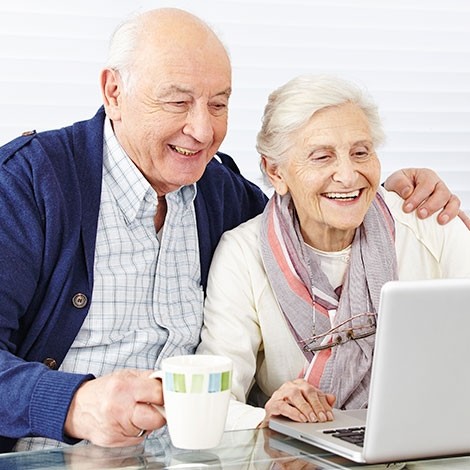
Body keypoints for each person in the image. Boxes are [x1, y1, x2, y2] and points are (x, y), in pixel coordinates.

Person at [0, 8, 463, 453]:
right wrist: (72, 403)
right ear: (113, 91)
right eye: (178, 101)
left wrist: (397, 193)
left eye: (218, 104)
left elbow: (311, 212)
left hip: (198, 457)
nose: (201, 129)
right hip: (55, 455)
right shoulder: (31, 184)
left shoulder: (221, 195)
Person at [196, 74, 470, 431]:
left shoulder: (432, 225)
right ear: (275, 171)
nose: (348, 174)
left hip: (435, 437)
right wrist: (268, 416)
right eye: (322, 157)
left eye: (361, 152)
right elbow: (212, 400)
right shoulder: (242, 255)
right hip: (301, 455)